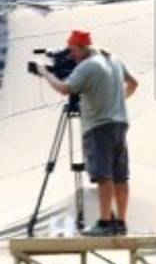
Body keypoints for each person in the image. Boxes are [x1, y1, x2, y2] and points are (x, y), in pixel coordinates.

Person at [36, 29, 138, 236]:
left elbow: (65, 89)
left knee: (104, 175)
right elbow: (134, 83)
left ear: (82, 48)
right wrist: (115, 103)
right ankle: (121, 222)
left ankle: (104, 222)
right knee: (121, 175)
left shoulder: (87, 66)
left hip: (98, 126)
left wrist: (46, 73)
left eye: (73, 51)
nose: (71, 55)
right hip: (119, 122)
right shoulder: (112, 59)